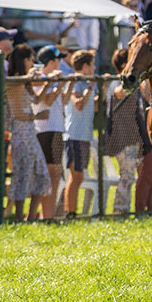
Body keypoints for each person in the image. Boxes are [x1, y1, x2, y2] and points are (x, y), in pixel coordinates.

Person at [6, 43, 52, 222]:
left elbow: (36, 99)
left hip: (30, 134)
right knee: (22, 175)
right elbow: (18, 114)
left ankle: (30, 216)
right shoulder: (16, 82)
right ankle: (19, 217)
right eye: (31, 59)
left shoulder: (24, 82)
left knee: (40, 174)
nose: (33, 63)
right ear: (25, 60)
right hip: (21, 135)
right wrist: (37, 116)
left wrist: (47, 84)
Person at [104, 48, 152, 215]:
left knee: (131, 175)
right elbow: (119, 92)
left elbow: (149, 98)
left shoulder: (135, 82)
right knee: (127, 176)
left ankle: (125, 209)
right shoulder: (116, 83)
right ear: (125, 64)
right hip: (122, 138)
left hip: (134, 138)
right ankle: (119, 210)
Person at [32, 45, 74, 219]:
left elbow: (63, 101)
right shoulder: (39, 77)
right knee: (51, 174)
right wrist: (58, 84)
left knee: (54, 174)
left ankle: (46, 215)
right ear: (51, 61)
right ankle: (46, 216)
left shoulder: (51, 78)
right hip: (47, 129)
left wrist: (69, 84)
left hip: (55, 129)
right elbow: (48, 101)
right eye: (58, 60)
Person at [63, 50, 96, 218]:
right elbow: (78, 104)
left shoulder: (89, 83)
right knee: (75, 177)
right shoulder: (76, 82)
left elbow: (93, 107)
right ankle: (70, 213)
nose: (94, 68)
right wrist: (90, 87)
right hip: (74, 135)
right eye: (92, 64)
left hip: (84, 136)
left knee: (79, 176)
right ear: (85, 66)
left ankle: (71, 211)